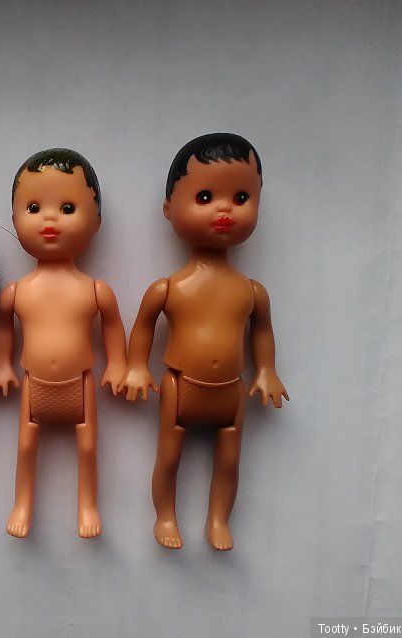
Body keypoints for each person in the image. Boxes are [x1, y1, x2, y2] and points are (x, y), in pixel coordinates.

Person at [122, 133, 288, 550]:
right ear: (168, 208)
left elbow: (262, 331)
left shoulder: (252, 291)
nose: (223, 209)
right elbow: (142, 327)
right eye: (204, 197)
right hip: (180, 386)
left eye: (241, 197)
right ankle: (165, 517)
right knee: (169, 457)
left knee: (229, 462)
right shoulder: (167, 288)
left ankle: (218, 520)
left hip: (231, 390)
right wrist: (137, 366)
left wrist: (266, 371)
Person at [0, 148, 126, 538]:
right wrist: (1, 363)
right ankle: (22, 503)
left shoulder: (96, 290)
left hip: (80, 384)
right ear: (14, 219)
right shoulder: (16, 292)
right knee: (26, 446)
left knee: (87, 447)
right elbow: (3, 329)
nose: (50, 219)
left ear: (96, 221)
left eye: (67, 208)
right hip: (34, 384)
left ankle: (88, 505)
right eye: (33, 208)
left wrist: (118, 364)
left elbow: (113, 327)